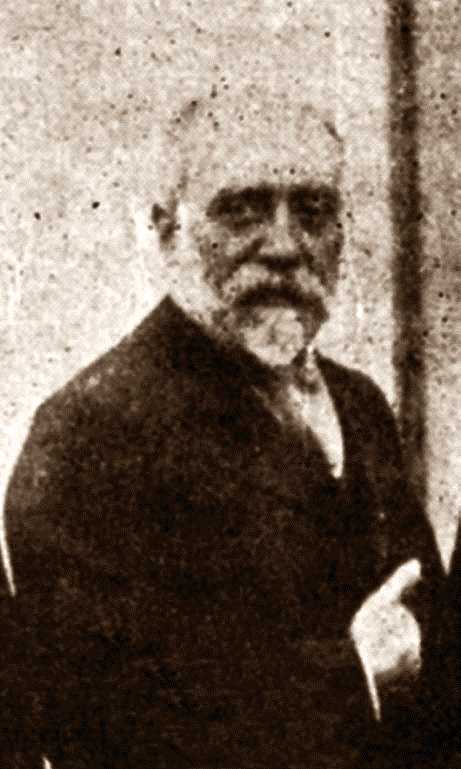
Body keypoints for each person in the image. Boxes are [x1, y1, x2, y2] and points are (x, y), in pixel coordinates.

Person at [0, 87, 443, 768]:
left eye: (313, 211)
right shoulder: (89, 431)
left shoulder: (360, 405)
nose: (285, 246)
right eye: (241, 210)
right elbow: (98, 719)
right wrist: (355, 674)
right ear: (165, 229)